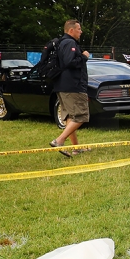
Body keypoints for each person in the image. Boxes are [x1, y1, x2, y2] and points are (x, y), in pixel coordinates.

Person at [49, 20, 90, 157]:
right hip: (73, 86)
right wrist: (84, 57)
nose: (81, 31)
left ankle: (76, 148)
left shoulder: (61, 43)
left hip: (62, 85)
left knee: (70, 117)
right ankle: (59, 140)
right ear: (71, 30)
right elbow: (70, 62)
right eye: (79, 29)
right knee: (81, 116)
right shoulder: (70, 43)